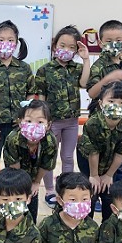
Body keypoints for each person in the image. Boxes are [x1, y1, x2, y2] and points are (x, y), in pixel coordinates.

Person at [0, 20, 37, 198]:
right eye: (1, 39)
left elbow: (30, 95)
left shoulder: (24, 68)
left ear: (17, 43)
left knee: (16, 162)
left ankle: (15, 194)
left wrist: (24, 120)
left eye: (10, 40)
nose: (6, 43)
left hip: (18, 126)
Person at [35, 25, 91, 209]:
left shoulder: (77, 68)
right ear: (55, 45)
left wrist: (86, 59)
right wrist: (43, 121)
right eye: (62, 45)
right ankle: (50, 191)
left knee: (67, 157)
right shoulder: (45, 70)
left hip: (72, 121)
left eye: (71, 47)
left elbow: (84, 83)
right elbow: (41, 97)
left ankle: (66, 190)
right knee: (49, 157)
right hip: (52, 123)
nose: (66, 50)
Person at [76, 81, 122, 221]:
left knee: (109, 193)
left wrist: (109, 175)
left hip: (112, 162)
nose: (116, 105)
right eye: (111, 101)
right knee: (91, 192)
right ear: (101, 103)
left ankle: (107, 226)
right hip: (89, 161)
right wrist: (94, 175)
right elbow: (93, 152)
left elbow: (120, 153)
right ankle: (86, 224)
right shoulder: (93, 123)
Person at [3, 99, 58, 223]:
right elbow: (14, 166)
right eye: (28, 121)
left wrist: (36, 182)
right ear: (20, 122)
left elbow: (46, 165)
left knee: (31, 210)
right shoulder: (13, 139)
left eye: (40, 122)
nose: (34, 125)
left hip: (34, 176)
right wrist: (22, 190)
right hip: (14, 176)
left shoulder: (50, 141)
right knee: (14, 209)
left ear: (48, 125)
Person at [86, 19, 122, 113]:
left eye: (118, 40)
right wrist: (109, 78)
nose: (114, 44)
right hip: (100, 115)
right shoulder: (98, 66)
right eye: (109, 41)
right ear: (100, 43)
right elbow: (92, 93)